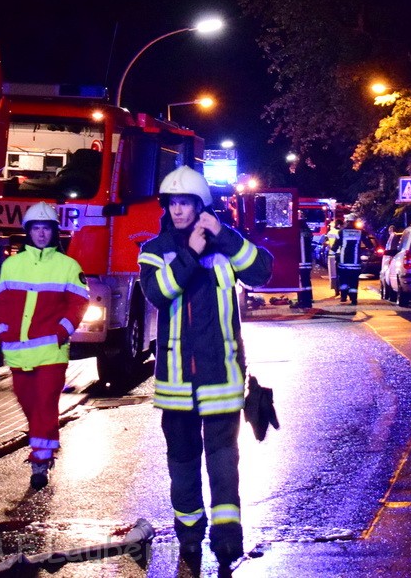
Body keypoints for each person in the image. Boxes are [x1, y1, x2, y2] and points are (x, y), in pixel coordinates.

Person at [137, 166, 273, 565]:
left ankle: (228, 536)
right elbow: (158, 294)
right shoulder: (155, 249)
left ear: (201, 206)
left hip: (223, 379)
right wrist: (191, 253)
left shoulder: (226, 248)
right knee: (182, 464)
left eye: (185, 203)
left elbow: (263, 271)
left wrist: (226, 237)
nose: (178, 210)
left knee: (223, 461)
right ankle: (190, 536)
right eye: (172, 203)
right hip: (176, 385)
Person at [0, 201, 90, 490]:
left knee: (46, 404)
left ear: (53, 233)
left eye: (45, 229)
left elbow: (79, 302)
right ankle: (44, 448)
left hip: (52, 350)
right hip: (18, 351)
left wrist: (63, 330)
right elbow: (1, 301)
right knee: (27, 402)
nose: (40, 234)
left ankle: (41, 459)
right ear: (28, 232)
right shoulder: (12, 265)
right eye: (35, 228)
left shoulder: (68, 266)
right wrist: (2, 330)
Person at [332, 214, 374, 305]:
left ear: (346, 221)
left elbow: (335, 246)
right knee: (354, 281)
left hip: (343, 262)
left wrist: (332, 254)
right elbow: (370, 245)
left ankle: (343, 297)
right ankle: (354, 299)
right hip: (355, 263)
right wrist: (370, 251)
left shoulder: (341, 232)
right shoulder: (360, 232)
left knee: (343, 280)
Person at [292, 211, 314, 309]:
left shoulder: (295, 231)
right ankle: (308, 301)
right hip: (307, 261)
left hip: (299, 261)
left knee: (300, 282)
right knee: (307, 281)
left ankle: (302, 301)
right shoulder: (307, 231)